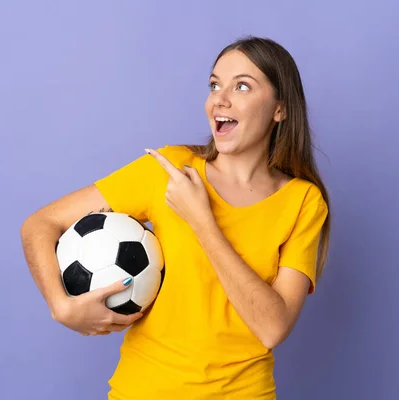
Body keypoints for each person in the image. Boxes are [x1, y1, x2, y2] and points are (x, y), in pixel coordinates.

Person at [20, 35, 331, 399]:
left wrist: (201, 220)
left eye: (242, 86)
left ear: (280, 109)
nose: (220, 99)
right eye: (215, 85)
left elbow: (272, 327)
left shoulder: (303, 201)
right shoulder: (171, 169)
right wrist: (61, 306)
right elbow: (40, 225)